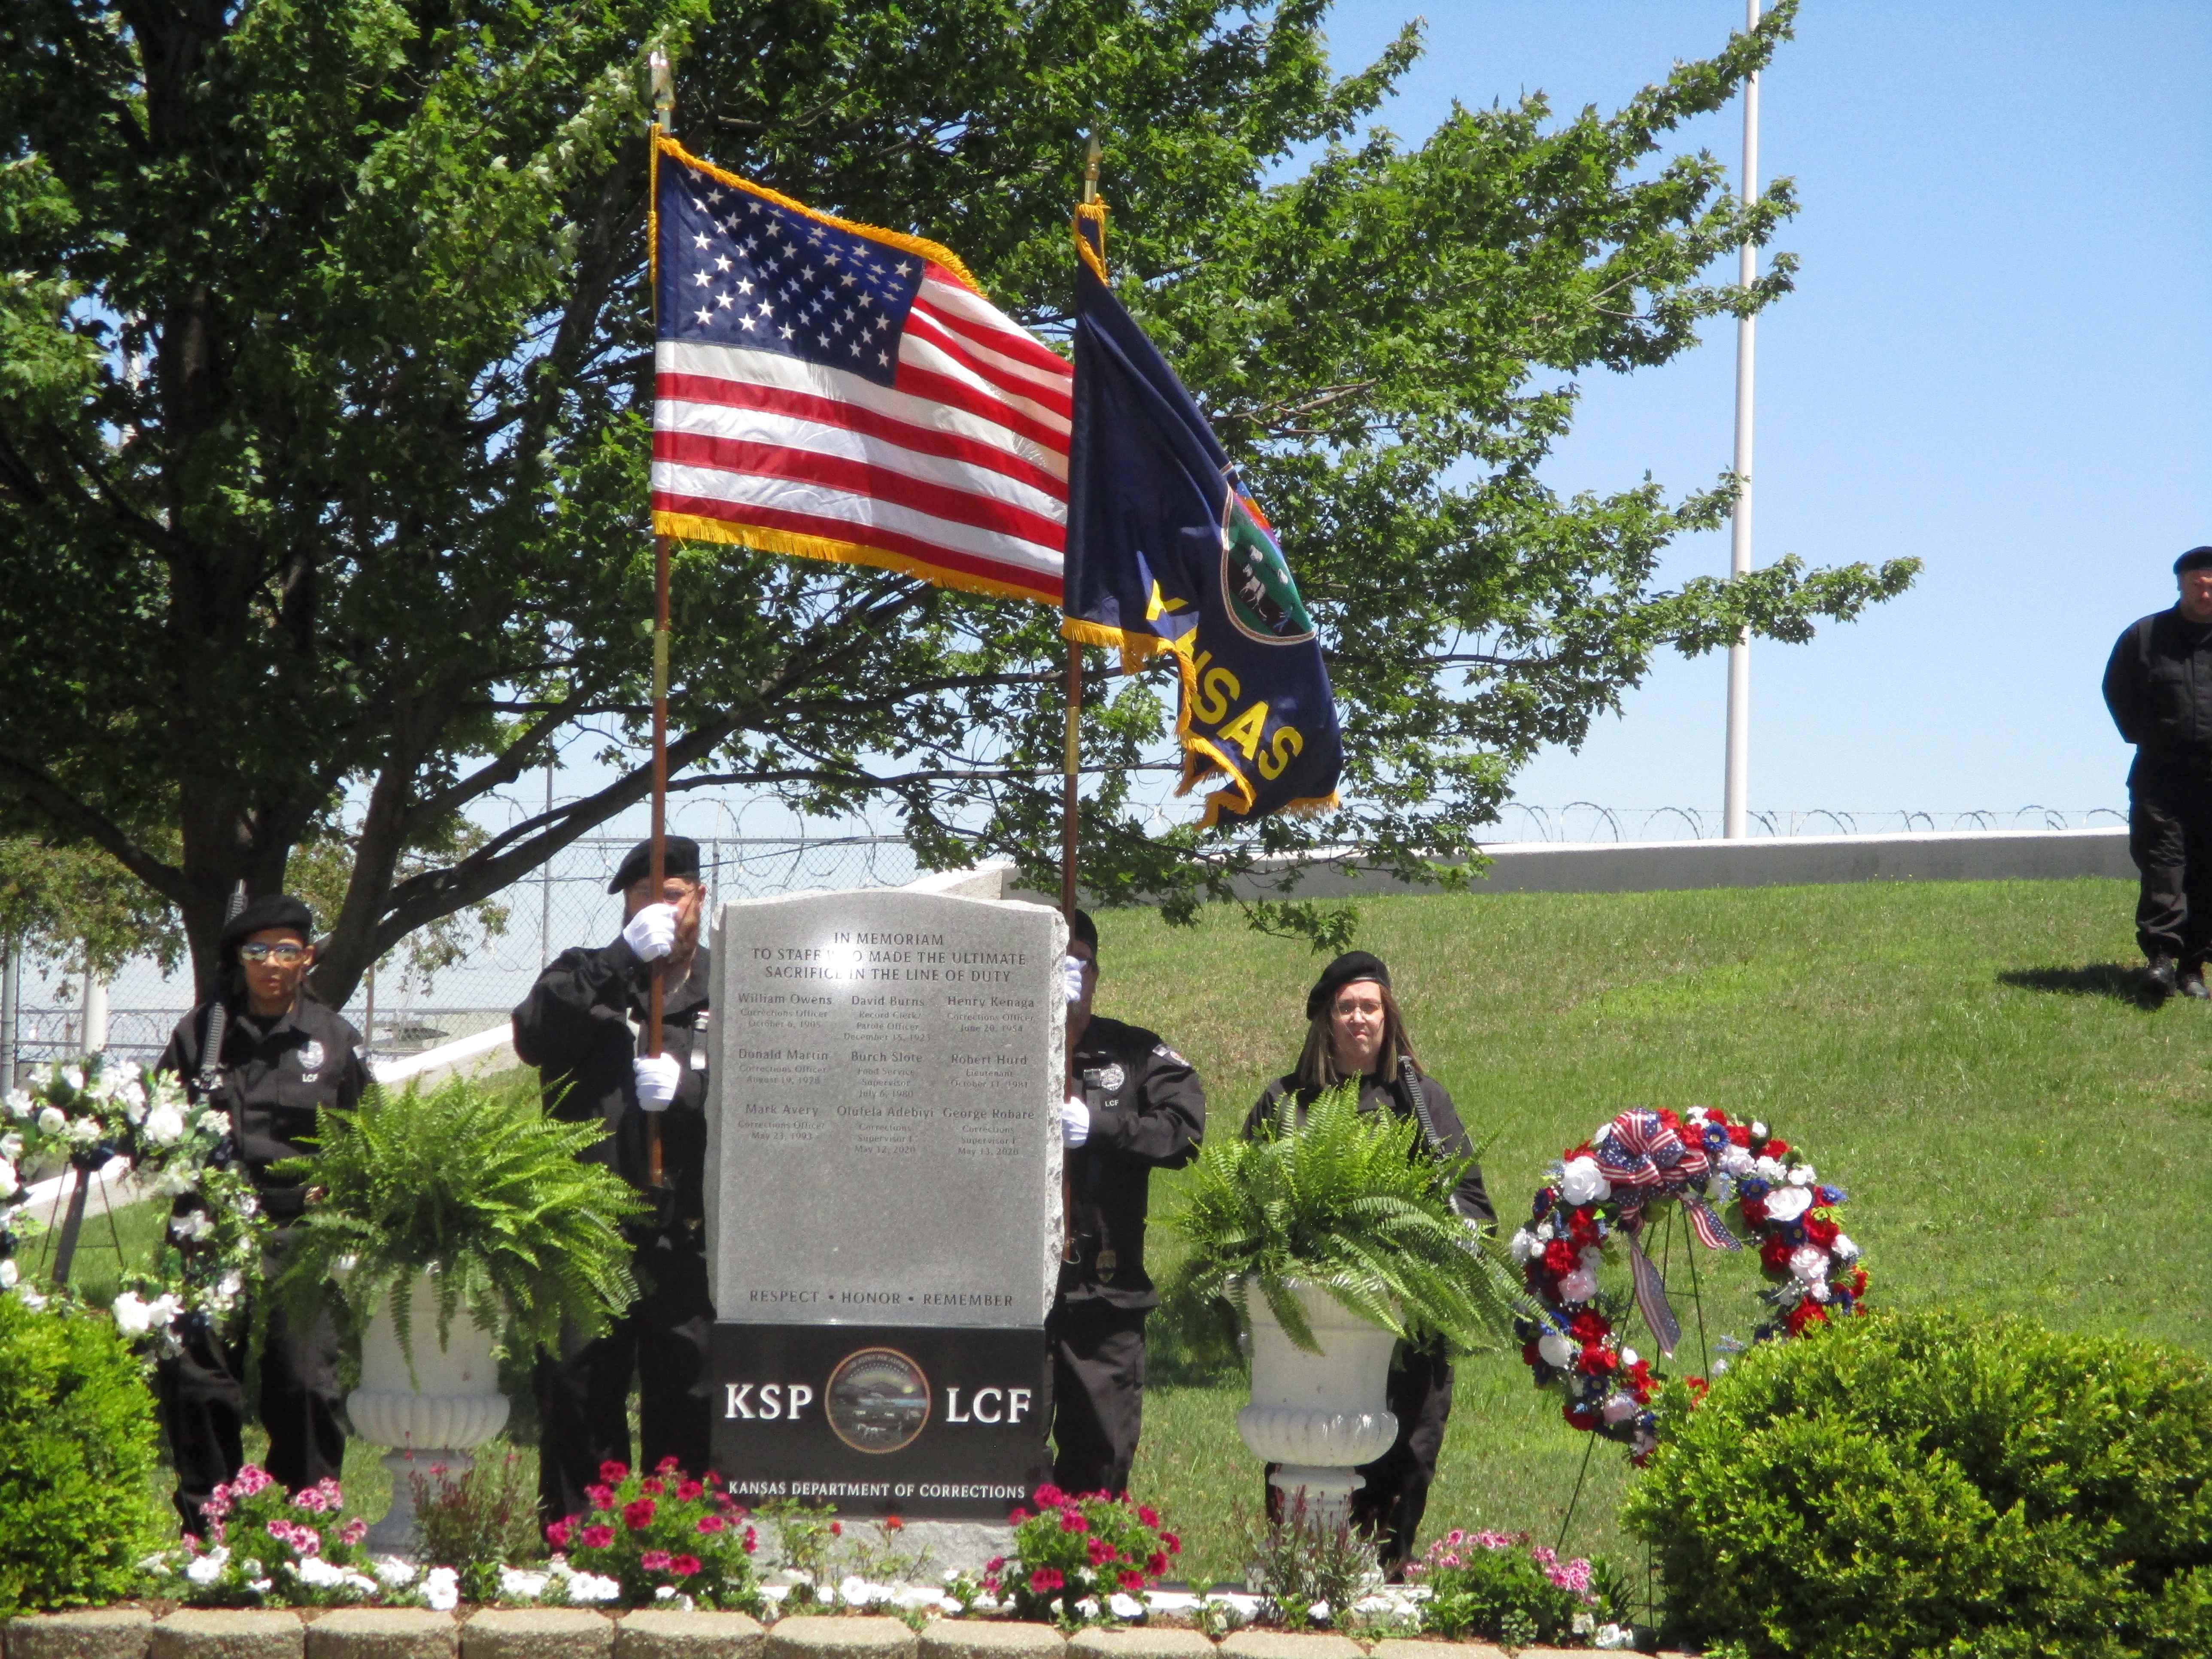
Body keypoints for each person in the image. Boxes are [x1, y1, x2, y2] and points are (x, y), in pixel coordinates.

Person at [1243, 949, 1492, 1573]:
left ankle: (1384, 1576)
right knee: (1305, 1451)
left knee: (1407, 1454)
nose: (1359, 1019)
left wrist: (1458, 1241)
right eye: (1346, 1008)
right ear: (1326, 1021)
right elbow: (1244, 1203)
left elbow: (1472, 1204)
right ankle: (1301, 1578)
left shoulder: (1421, 1101)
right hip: (1311, 1328)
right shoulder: (1286, 1101)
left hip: (1407, 1323)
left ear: (1389, 1017)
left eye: (1370, 1008)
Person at [512, 834, 714, 1522]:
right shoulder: (587, 976)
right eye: (641, 897)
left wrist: (688, 1094)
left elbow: (772, 1099)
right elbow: (535, 1035)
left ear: (699, 898)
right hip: (592, 1227)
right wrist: (622, 956)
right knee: (578, 1384)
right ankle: (580, 1538)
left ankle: (676, 1539)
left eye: (671, 896)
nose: (657, 908)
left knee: (687, 1387)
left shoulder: (732, 987)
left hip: (687, 1228)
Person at [154, 894, 368, 1533]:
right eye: (256, 951)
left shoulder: (333, 1040)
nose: (271, 964)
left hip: (300, 1230)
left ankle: (303, 1531)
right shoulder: (202, 1035)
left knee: (304, 1384)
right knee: (199, 1382)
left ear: (307, 958)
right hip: (213, 1229)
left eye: (285, 951)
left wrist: (342, 1185)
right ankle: (209, 1527)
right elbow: (157, 1125)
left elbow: (371, 1137)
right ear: (240, 959)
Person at [1051, 908, 1207, 1496]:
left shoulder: (1134, 1053)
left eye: (1079, 963)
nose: (1071, 975)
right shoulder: (1001, 1050)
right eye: (1054, 963)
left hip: (1104, 1291)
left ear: (1096, 973)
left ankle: (1088, 1552)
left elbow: (1183, 1133)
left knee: (1101, 1462)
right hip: (1019, 1296)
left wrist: (1103, 1127)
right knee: (1006, 1457)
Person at [2104, 544, 2212, 1000]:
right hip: (2161, 776)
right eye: (2196, 584)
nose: (2205, 593)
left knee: (2207, 871)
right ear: (2180, 586)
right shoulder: (2145, 636)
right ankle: (2161, 961)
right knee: (2162, 868)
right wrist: (2146, 736)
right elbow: (2117, 690)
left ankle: (2193, 968)